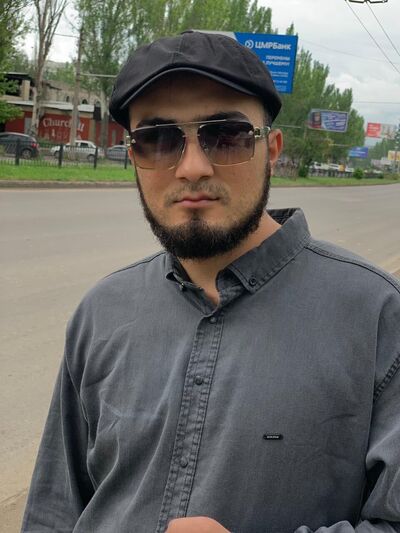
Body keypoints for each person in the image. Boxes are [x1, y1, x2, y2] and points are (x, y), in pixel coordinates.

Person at [21, 31, 400, 533]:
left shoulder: (376, 315)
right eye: (158, 139)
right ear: (133, 156)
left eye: (226, 135)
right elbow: (53, 512)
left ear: (272, 150)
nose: (192, 167)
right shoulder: (102, 312)